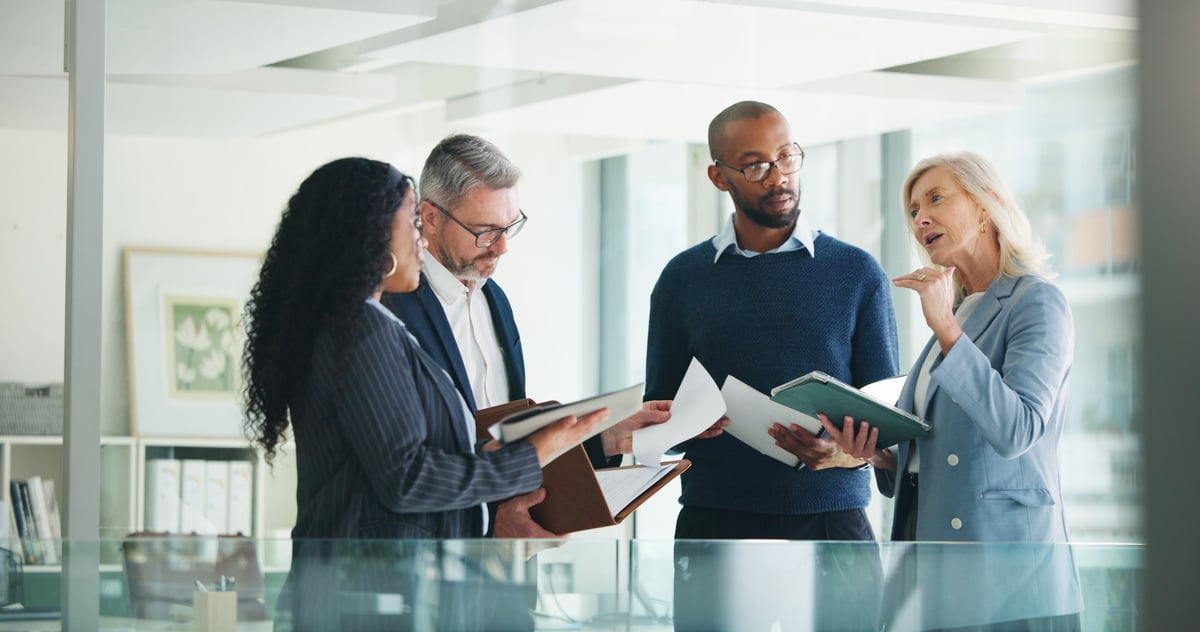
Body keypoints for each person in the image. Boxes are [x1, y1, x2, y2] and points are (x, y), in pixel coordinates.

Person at [240, 157, 607, 630]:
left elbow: (399, 460)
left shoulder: (361, 324)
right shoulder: (361, 328)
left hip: (375, 594)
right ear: (371, 236)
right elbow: (406, 477)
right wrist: (529, 458)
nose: (421, 239)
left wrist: (500, 454)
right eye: (412, 223)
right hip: (368, 601)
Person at [795, 151, 1083, 630]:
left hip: (1011, 576)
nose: (920, 218)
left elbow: (1017, 429)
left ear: (986, 206)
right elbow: (940, 446)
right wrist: (876, 454)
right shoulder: (958, 314)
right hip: (930, 556)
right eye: (913, 210)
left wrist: (946, 327)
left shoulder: (1036, 302)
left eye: (935, 199)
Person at [644, 100, 899, 630]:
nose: (778, 176)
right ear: (719, 176)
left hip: (831, 521)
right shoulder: (682, 280)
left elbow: (886, 422)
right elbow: (657, 416)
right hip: (716, 521)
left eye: (787, 156)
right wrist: (687, 421)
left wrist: (845, 454)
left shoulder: (856, 273)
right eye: (756, 165)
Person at [381, 133, 702, 537]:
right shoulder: (391, 311)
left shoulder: (494, 299)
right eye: (485, 231)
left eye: (509, 227)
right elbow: (401, 469)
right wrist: (486, 528)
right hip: (429, 550)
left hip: (508, 550)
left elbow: (508, 439)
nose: (502, 247)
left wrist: (605, 438)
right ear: (430, 217)